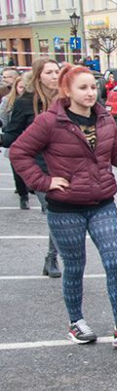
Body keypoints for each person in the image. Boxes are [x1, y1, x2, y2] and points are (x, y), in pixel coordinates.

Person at [9, 64, 117, 347]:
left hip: (103, 202)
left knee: (115, 262)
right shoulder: (49, 121)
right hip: (65, 208)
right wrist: (43, 182)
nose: (91, 93)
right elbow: (19, 152)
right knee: (75, 266)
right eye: (83, 88)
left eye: (93, 87)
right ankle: (76, 321)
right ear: (67, 91)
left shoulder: (104, 119)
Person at [1, 59, 62, 276]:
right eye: (49, 72)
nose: (55, 76)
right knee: (55, 209)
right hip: (39, 167)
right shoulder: (26, 102)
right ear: (38, 76)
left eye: (57, 71)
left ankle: (51, 258)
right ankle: (54, 258)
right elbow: (12, 135)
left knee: (59, 214)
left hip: (65, 166)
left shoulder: (67, 100)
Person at [1, 73, 30, 209]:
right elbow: (4, 120)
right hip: (15, 139)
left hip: (33, 143)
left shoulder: (35, 101)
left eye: (25, 87)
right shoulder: (9, 101)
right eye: (20, 87)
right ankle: (23, 196)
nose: (22, 90)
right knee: (17, 169)